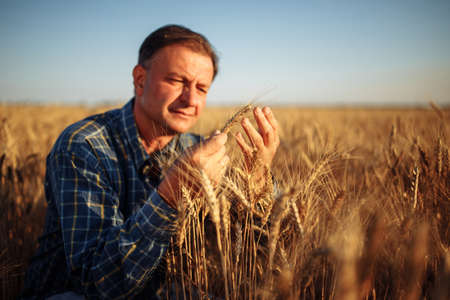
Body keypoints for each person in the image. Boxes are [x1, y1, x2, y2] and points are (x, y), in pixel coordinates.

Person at [21, 24, 280, 299]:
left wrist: (259, 184)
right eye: (177, 80)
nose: (190, 99)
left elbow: (254, 252)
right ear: (140, 79)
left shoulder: (196, 149)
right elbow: (99, 284)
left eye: (202, 88)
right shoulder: (84, 146)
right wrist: (171, 194)